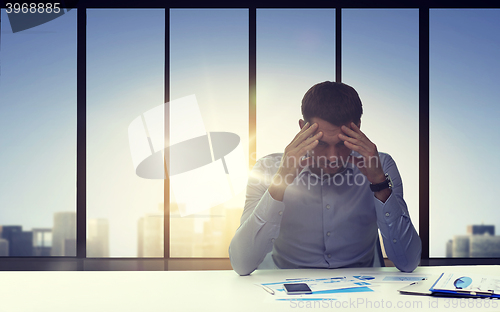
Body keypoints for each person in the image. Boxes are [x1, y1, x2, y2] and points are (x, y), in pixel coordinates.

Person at [228, 81, 421, 276]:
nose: (332, 157)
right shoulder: (267, 169)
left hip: (360, 293)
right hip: (285, 292)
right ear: (303, 128)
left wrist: (379, 184)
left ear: (358, 129)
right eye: (320, 143)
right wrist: (281, 180)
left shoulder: (381, 166)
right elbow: (242, 264)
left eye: (341, 143)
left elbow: (409, 261)